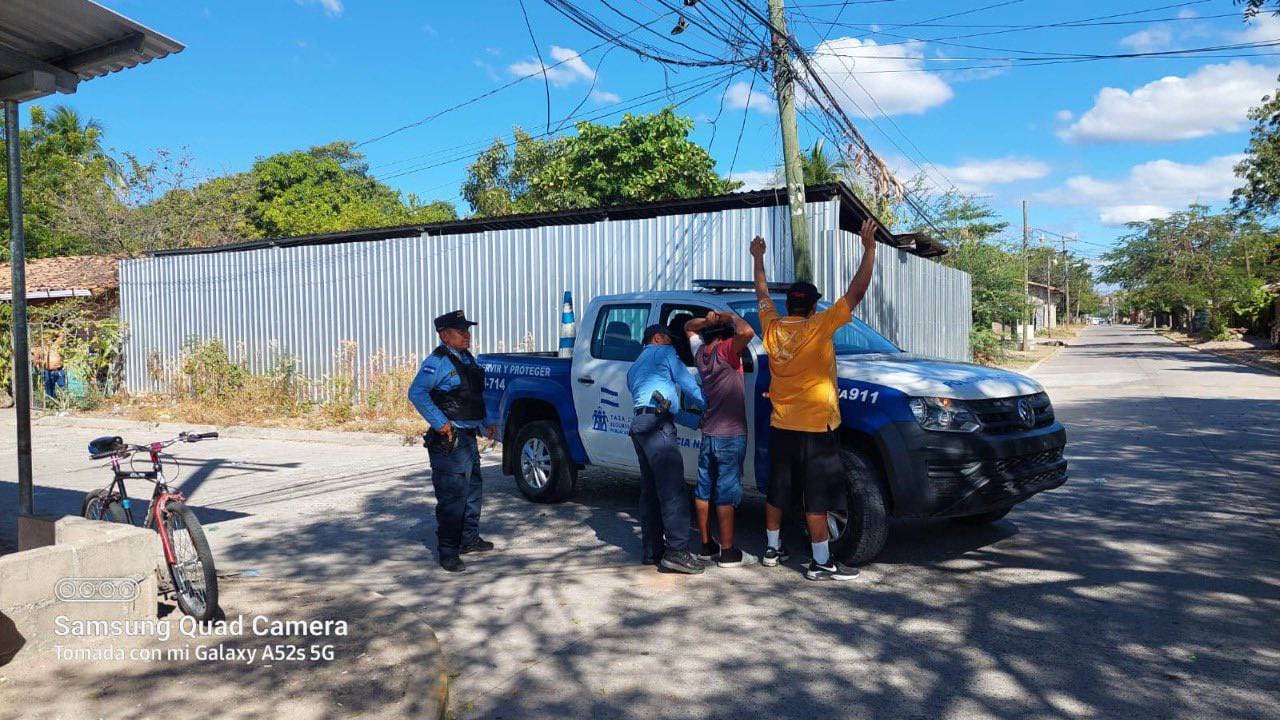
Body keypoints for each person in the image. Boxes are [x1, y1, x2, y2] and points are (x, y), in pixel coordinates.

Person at [751, 217, 879, 581]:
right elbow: (856, 292)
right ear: (813, 306)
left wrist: (758, 258)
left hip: (782, 425)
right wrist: (869, 250)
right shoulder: (819, 327)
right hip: (816, 428)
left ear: (789, 304)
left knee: (778, 489)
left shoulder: (772, 328)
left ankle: (772, 550)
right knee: (817, 495)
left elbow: (761, 293)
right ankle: (821, 562)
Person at [408, 310, 498, 573]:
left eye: (467, 330)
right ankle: (448, 552)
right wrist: (440, 423)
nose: (467, 335)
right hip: (450, 439)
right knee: (452, 498)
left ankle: (468, 540)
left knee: (472, 492)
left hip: (468, 437)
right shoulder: (437, 362)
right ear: (445, 335)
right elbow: (417, 393)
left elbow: (473, 396)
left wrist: (486, 420)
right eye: (461, 331)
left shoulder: (465, 358)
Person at [627, 323, 706, 574]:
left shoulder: (635, 367)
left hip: (641, 426)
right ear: (658, 338)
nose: (674, 345)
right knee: (673, 491)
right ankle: (677, 551)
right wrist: (710, 407)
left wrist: (695, 422)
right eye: (670, 339)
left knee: (650, 491)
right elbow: (689, 385)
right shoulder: (663, 354)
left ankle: (652, 551)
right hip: (657, 429)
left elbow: (661, 407)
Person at [682, 309, 753, 568]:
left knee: (703, 488)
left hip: (709, 432)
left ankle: (705, 544)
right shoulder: (726, 351)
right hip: (730, 435)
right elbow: (747, 332)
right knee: (726, 490)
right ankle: (728, 550)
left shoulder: (701, 353)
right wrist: (729, 317)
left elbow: (689, 327)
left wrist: (708, 321)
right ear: (726, 337)